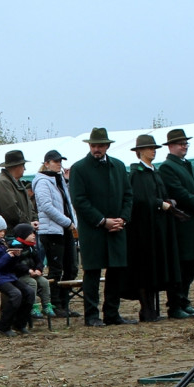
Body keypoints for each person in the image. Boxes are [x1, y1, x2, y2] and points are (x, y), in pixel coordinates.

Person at [69, 128, 135, 327]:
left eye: (100, 145)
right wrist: (102, 220)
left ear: (107, 146)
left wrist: (122, 219)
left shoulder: (118, 166)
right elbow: (79, 200)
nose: (96, 149)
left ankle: (112, 314)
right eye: (93, 145)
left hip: (117, 229)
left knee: (116, 272)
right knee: (92, 272)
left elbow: (128, 195)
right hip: (93, 230)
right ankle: (91, 315)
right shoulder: (79, 168)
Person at [123, 135, 181, 322]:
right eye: (149, 148)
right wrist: (158, 203)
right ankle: (146, 308)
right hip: (142, 230)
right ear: (140, 151)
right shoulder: (136, 174)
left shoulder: (155, 172)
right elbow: (138, 199)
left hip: (158, 228)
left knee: (157, 267)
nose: (153, 151)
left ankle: (154, 307)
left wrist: (168, 202)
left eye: (154, 148)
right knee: (144, 269)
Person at [158, 128, 194, 319]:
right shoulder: (167, 167)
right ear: (171, 146)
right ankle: (175, 305)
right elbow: (180, 193)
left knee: (191, 267)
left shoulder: (187, 165)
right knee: (180, 267)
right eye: (181, 144)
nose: (184, 146)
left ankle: (185, 302)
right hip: (182, 225)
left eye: (185, 143)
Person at [32, 149, 80, 318]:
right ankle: (54, 304)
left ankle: (63, 303)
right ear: (47, 163)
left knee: (71, 267)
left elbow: (67, 203)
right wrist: (68, 222)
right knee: (56, 269)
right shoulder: (43, 181)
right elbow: (46, 206)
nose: (59, 164)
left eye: (60, 161)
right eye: (55, 161)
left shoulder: (58, 180)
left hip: (63, 230)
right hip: (52, 230)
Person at [9, 223, 54, 318]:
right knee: (32, 283)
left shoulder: (31, 247)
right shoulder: (15, 247)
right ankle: (32, 306)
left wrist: (38, 269)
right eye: (31, 233)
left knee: (44, 282)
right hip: (20, 276)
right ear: (23, 235)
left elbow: (39, 261)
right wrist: (28, 270)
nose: (34, 235)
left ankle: (46, 305)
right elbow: (15, 264)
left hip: (32, 273)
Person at [0, 150, 37, 232]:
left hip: (21, 232)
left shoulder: (16, 182)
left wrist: (34, 219)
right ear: (16, 166)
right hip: (9, 234)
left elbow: (28, 206)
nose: (25, 169)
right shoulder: (3, 183)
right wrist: (28, 224)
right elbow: (11, 211)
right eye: (23, 165)